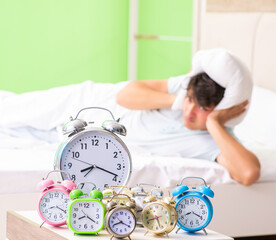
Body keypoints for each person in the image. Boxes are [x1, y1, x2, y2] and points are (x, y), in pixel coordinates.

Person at [116, 72, 261, 186]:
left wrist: (213, 123)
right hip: (114, 125)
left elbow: (249, 173)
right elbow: (122, 96)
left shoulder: (215, 140)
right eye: (190, 99)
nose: (189, 111)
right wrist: (179, 100)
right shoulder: (184, 94)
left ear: (221, 109)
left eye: (203, 107)